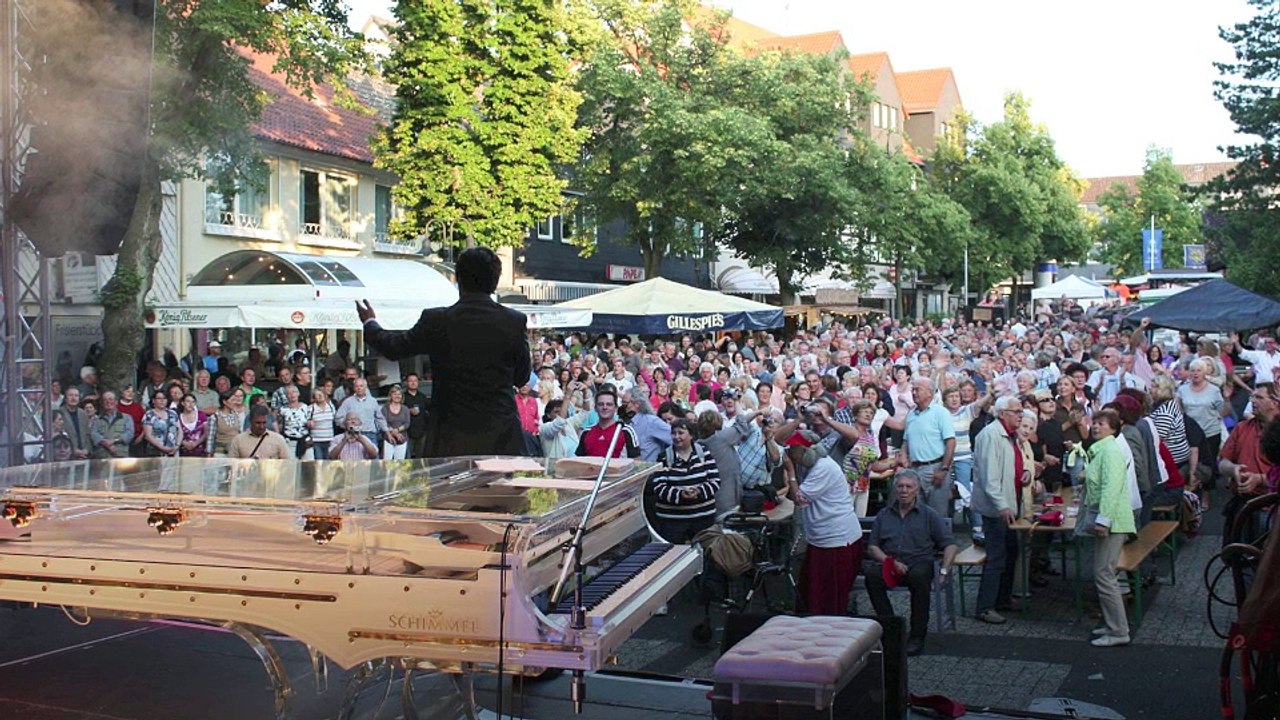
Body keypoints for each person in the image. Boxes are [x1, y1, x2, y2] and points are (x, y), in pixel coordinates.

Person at [358, 247, 531, 456]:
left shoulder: (437, 321)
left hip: (450, 435)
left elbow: (394, 347)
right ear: (495, 280)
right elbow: (522, 377)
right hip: (500, 435)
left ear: (458, 279)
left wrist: (370, 322)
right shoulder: (514, 321)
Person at [864, 469, 958, 657]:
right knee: (872, 577)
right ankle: (891, 627)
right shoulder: (884, 514)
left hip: (918, 563)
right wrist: (889, 561)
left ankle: (917, 636)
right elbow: (872, 547)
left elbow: (950, 545)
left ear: (917, 490)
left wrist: (944, 571)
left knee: (919, 577)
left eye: (909, 486)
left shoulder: (928, 515)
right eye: (900, 486)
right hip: (891, 564)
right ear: (894, 490)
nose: (904, 491)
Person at [784, 430, 864, 616]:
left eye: (792, 451)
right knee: (810, 589)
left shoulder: (823, 468)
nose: (789, 456)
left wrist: (790, 472)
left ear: (804, 451)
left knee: (828, 596)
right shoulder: (815, 465)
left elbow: (800, 498)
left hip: (836, 539)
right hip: (822, 539)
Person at [971, 396, 1025, 624]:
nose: (1020, 415)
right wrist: (1001, 504)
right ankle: (985, 606)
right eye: (1016, 411)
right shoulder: (991, 435)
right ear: (1002, 413)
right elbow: (989, 476)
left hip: (1010, 505)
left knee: (1011, 552)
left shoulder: (1010, 435)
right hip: (996, 509)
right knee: (996, 557)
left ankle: (1003, 598)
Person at [1085, 409, 1136, 647]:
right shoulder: (1101, 451)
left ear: (1113, 428)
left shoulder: (1110, 452)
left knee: (1104, 575)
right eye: (1094, 422)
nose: (1096, 426)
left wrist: (1103, 520)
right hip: (1111, 520)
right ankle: (1112, 624)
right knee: (1104, 573)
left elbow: (1111, 488)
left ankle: (1118, 631)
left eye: (1101, 423)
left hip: (1113, 521)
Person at [650, 418, 720, 542]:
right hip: (673, 521)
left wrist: (698, 492)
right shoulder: (664, 457)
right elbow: (658, 486)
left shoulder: (703, 453)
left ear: (691, 435)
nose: (677, 437)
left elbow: (715, 481)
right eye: (674, 433)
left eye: (681, 433)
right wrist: (680, 495)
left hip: (702, 518)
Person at [898, 377, 957, 520]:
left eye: (917, 389)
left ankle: (941, 543)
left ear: (929, 393)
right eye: (913, 389)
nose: (913, 393)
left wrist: (943, 469)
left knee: (937, 516)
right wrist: (903, 456)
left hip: (935, 468)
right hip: (915, 470)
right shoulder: (911, 414)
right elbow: (906, 440)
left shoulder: (940, 413)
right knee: (915, 513)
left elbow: (951, 442)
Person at [576, 387, 640, 459]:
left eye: (609, 404)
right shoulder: (586, 432)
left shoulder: (626, 431)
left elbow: (636, 462)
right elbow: (580, 461)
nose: (605, 407)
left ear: (615, 408)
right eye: (600, 404)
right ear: (595, 408)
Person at [623, 387, 673, 462]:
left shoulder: (652, 422)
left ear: (637, 404)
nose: (622, 406)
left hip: (649, 469)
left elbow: (676, 439)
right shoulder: (625, 423)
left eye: (625, 403)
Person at [334, 377, 386, 449]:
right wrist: (347, 425)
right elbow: (338, 418)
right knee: (356, 459)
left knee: (373, 459)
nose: (359, 388)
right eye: (356, 386)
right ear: (354, 388)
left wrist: (386, 431)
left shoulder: (373, 401)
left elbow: (380, 418)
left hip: (370, 435)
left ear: (366, 387)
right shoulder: (347, 402)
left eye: (361, 386)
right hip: (353, 435)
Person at [89, 390, 135, 459]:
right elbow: (93, 434)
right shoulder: (97, 420)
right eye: (105, 400)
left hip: (120, 456)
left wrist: (114, 440)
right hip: (102, 457)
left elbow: (129, 434)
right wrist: (106, 444)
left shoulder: (127, 418)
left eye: (110, 399)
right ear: (102, 403)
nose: (108, 402)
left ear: (116, 402)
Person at [140, 389, 181, 458]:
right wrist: (163, 448)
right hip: (154, 453)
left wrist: (177, 446)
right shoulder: (149, 415)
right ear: (153, 401)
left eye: (164, 398)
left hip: (173, 452)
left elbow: (180, 431)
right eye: (159, 398)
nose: (162, 401)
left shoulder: (173, 413)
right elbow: (148, 435)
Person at [278, 385, 313, 459]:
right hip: (290, 442)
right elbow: (279, 425)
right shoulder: (283, 410)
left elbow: (311, 420)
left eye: (294, 392)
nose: (292, 395)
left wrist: (310, 424)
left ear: (298, 393)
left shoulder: (305, 407)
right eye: (289, 393)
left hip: (305, 441)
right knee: (291, 466)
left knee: (309, 465)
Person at [57, 386, 91, 460]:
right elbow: (59, 434)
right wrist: (73, 450)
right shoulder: (59, 413)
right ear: (65, 398)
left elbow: (87, 434)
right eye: (70, 395)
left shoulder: (82, 413)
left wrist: (87, 450)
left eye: (76, 395)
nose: (73, 398)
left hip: (84, 454)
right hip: (67, 454)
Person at [402, 373, 430, 458]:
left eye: (415, 381)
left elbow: (429, 411)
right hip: (407, 432)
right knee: (407, 459)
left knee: (420, 458)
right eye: (410, 381)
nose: (413, 383)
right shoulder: (402, 397)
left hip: (421, 431)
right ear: (406, 383)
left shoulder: (423, 397)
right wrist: (408, 411)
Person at [380, 385, 411, 460]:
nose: (397, 396)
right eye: (395, 394)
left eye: (399, 394)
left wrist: (397, 430)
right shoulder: (385, 408)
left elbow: (407, 423)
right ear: (390, 396)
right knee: (387, 463)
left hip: (402, 439)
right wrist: (394, 433)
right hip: (388, 439)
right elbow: (383, 423)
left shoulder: (405, 409)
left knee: (399, 464)